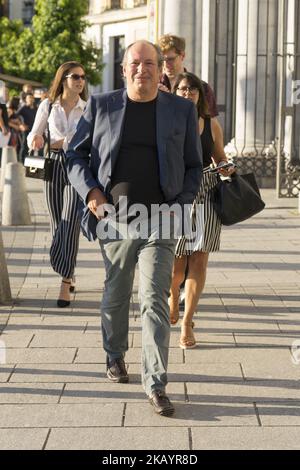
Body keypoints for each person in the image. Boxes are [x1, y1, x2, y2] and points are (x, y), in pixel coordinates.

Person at [66, 40, 202, 416]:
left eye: (150, 64)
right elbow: (74, 155)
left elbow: (193, 165)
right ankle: (114, 354)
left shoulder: (180, 110)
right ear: (124, 69)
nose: (142, 69)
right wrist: (92, 192)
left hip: (162, 217)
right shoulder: (101, 105)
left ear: (162, 71)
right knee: (117, 292)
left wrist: (182, 205)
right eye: (135, 63)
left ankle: (155, 384)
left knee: (156, 299)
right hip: (114, 218)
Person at [169, 72, 235, 349]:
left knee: (199, 260)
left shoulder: (210, 123)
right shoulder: (165, 121)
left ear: (199, 94)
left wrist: (226, 166)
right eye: (182, 89)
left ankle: (187, 322)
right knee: (176, 262)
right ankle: (173, 298)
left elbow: (219, 156)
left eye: (192, 89)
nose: (187, 93)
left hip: (206, 193)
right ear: (174, 93)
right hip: (176, 195)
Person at [27, 61, 87, 307]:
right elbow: (33, 134)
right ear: (63, 80)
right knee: (56, 222)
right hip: (52, 165)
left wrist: (61, 142)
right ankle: (69, 269)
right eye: (75, 77)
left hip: (78, 165)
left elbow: (89, 139)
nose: (80, 81)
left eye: (83, 77)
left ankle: (64, 282)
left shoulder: (88, 108)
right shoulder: (48, 105)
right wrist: (38, 139)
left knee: (70, 220)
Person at [157, 34, 218, 117]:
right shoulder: (154, 86)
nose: (166, 64)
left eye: (170, 59)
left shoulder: (202, 88)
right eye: (162, 60)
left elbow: (210, 125)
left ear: (182, 56)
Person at [17, 92, 37, 163]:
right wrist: (21, 124)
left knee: (32, 146)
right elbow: (15, 116)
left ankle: (29, 161)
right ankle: (21, 162)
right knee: (24, 146)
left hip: (34, 130)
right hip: (26, 130)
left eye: (31, 98)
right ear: (26, 100)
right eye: (29, 98)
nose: (30, 99)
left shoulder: (35, 108)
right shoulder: (23, 108)